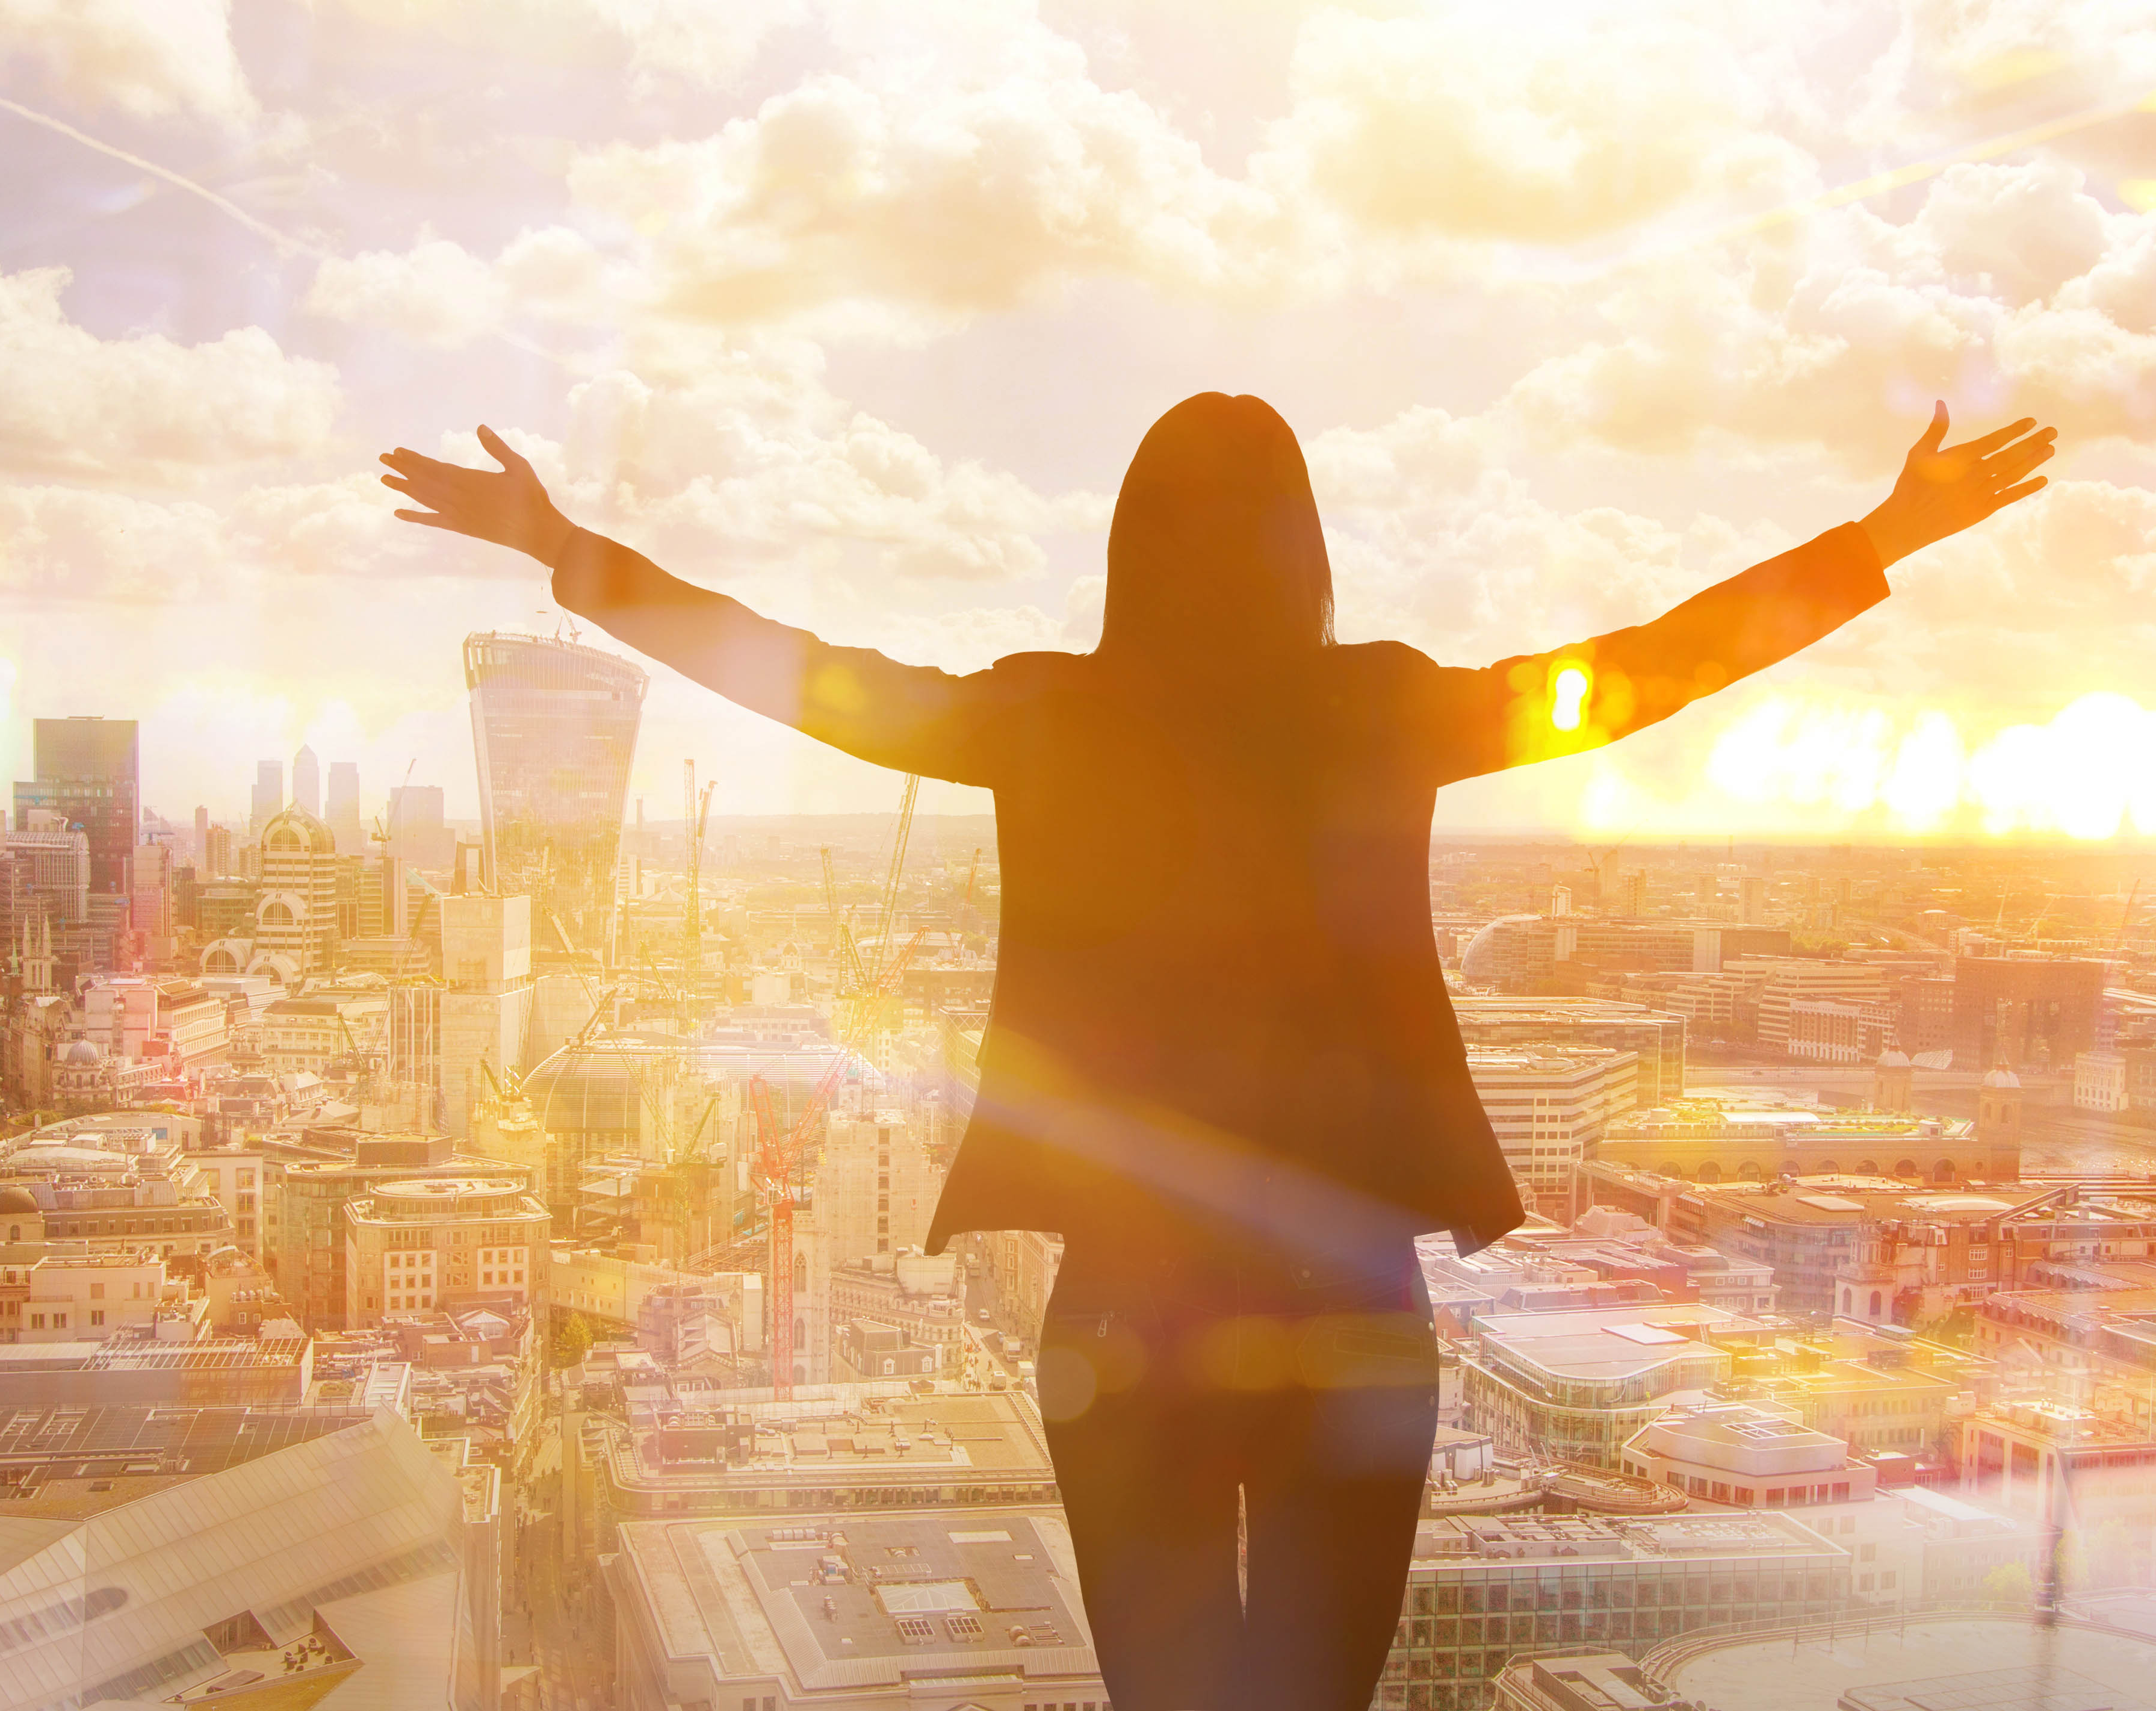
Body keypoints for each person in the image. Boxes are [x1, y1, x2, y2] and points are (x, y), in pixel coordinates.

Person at [381, 394, 2052, 1709]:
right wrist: (1881, 536)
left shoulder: (1048, 717)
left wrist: (561, 547)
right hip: (1347, 1307)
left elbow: (804, 680)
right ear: (1304, 549)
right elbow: (1635, 678)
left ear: (1130, 549)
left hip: (1128, 1316)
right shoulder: (1383, 709)